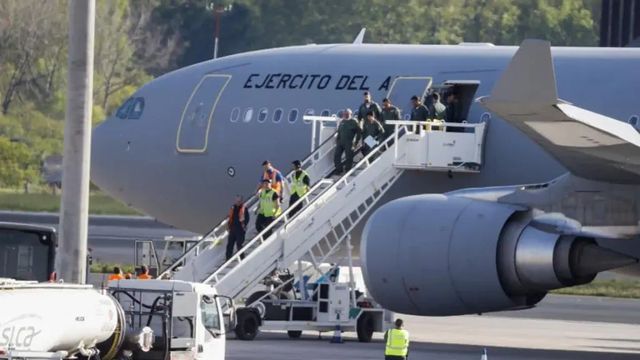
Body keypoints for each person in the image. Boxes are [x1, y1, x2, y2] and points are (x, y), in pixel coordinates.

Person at [333, 108, 362, 175]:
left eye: (347, 113)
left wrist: (356, 142)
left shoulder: (354, 122)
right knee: (336, 156)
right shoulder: (342, 122)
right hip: (341, 142)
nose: (345, 115)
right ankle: (339, 169)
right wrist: (338, 140)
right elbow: (339, 132)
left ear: (350, 114)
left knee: (349, 157)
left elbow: (359, 132)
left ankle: (348, 170)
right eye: (345, 113)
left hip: (349, 142)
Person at [227, 195, 250, 260]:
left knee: (239, 244)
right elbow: (230, 218)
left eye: (239, 201)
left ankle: (242, 258)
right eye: (236, 201)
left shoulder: (244, 209)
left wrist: (244, 224)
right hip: (232, 229)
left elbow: (247, 219)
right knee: (230, 245)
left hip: (240, 229)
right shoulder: (233, 207)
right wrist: (228, 225)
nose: (237, 202)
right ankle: (228, 259)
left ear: (241, 201)